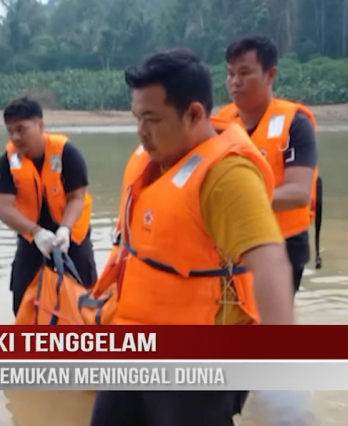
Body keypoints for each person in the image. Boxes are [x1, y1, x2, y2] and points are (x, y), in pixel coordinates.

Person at [89, 48, 294, 426]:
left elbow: (269, 262)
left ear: (194, 114)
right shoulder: (157, 153)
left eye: (152, 119)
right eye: (137, 118)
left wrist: (282, 368)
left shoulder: (227, 176)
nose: (141, 131)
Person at [215, 34, 321, 294]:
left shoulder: (295, 124)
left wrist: (238, 201)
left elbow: (298, 193)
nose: (234, 82)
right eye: (230, 73)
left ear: (270, 74)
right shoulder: (219, 124)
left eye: (244, 73)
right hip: (232, 245)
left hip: (281, 243)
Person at [0, 96, 98, 316]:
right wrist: (36, 232)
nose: (15, 137)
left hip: (71, 240)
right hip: (33, 242)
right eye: (10, 131)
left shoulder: (67, 153)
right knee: (24, 306)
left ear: (40, 125)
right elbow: (4, 209)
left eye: (21, 129)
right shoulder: (7, 162)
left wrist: (65, 229)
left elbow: (77, 198)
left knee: (84, 305)